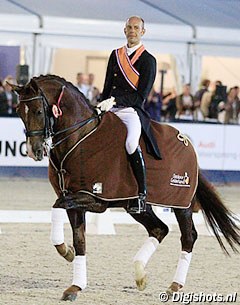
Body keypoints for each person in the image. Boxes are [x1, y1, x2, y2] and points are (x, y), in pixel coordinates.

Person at [100, 16, 161, 214]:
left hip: (130, 111)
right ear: (124, 30)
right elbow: (108, 85)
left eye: (136, 28)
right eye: (129, 27)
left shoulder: (148, 60)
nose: (132, 30)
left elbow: (140, 96)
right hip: (109, 108)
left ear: (143, 32)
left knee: (130, 144)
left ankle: (141, 194)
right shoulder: (115, 54)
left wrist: (116, 101)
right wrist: (102, 103)